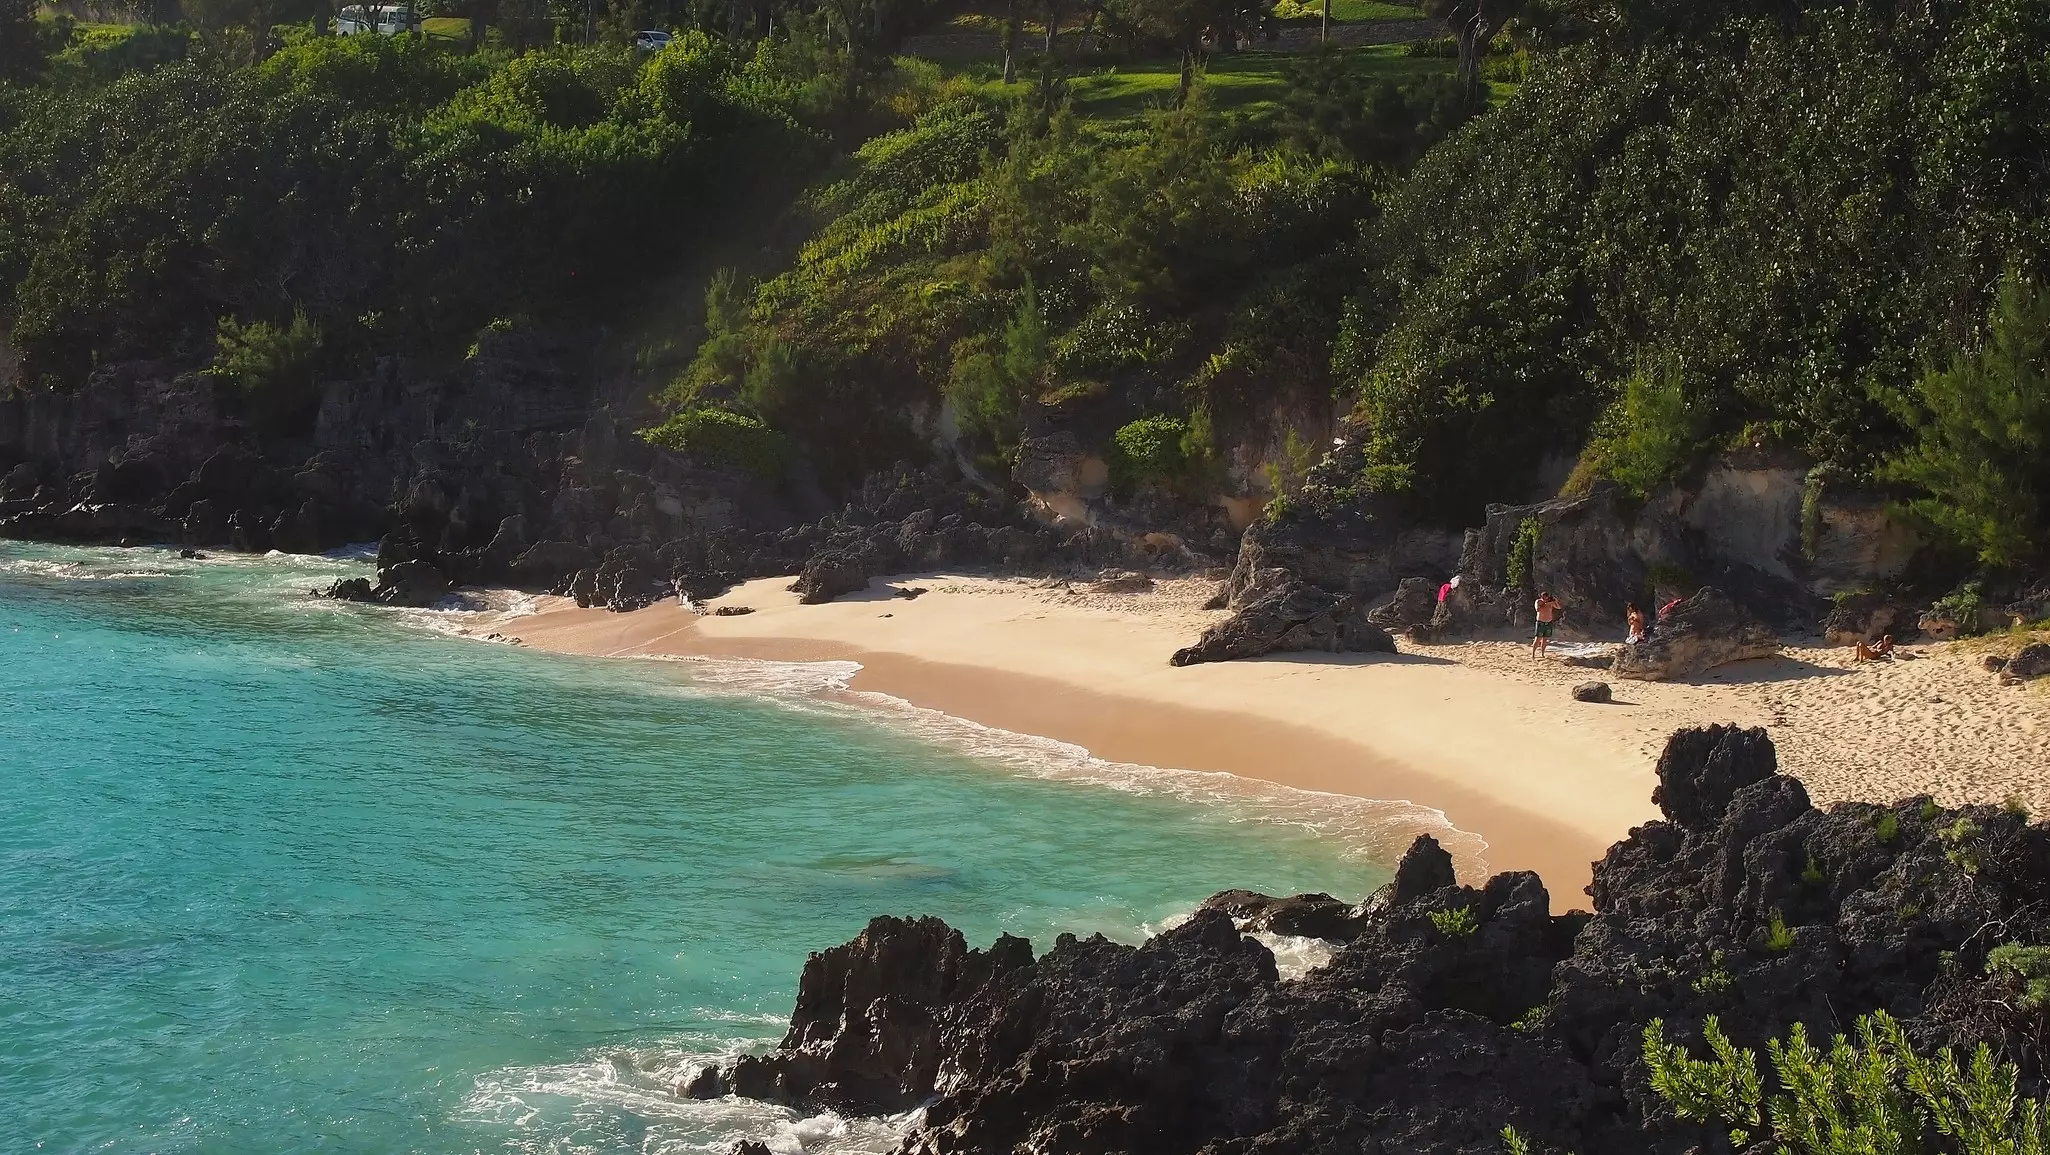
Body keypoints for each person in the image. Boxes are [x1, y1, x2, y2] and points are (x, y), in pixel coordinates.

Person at [1532, 591, 1562, 657]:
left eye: (1547, 598)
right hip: (1541, 622)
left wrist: (1555, 601)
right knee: (1538, 639)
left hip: (1548, 622)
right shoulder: (1538, 601)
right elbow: (1538, 609)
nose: (1545, 599)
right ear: (1542, 597)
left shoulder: (1550, 603)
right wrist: (1546, 604)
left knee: (1545, 639)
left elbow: (1559, 607)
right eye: (1544, 598)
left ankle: (1542, 654)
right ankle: (1533, 654)